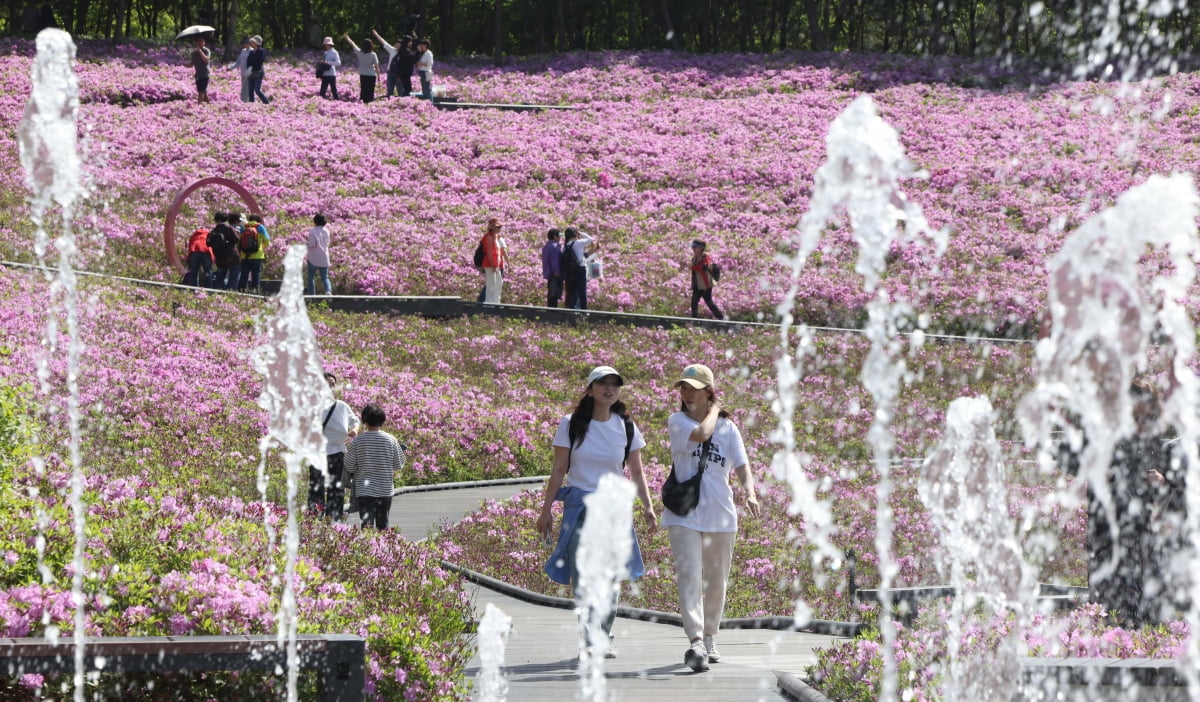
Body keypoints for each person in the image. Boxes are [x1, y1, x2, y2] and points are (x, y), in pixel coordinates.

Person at [535, 366, 657, 658]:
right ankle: (589, 639)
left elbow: (637, 471)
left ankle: (603, 636)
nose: (609, 389)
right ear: (590, 389)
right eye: (602, 383)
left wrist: (649, 507)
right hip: (580, 509)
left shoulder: (626, 426)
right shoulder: (571, 423)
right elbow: (558, 469)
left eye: (615, 384)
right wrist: (546, 509)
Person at [662, 363, 758, 672]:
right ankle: (695, 640)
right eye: (684, 388)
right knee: (690, 576)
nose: (687, 393)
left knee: (717, 581)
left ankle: (711, 635)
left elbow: (742, 464)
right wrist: (716, 409)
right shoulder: (677, 420)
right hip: (683, 514)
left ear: (707, 390)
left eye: (693, 388)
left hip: (720, 514)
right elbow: (702, 434)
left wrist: (750, 492)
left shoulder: (730, 429)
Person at [343, 403, 406, 529]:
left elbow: (349, 466)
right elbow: (398, 465)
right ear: (382, 420)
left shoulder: (358, 441)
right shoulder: (391, 440)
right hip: (385, 489)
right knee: (383, 523)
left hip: (364, 490)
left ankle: (368, 547)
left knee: (367, 525)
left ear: (364, 421)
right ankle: (383, 547)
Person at [308, 372, 360, 520]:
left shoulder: (341, 405)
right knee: (316, 488)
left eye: (332, 384)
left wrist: (354, 430)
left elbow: (354, 420)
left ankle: (334, 520)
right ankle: (315, 520)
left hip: (337, 452)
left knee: (336, 488)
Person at [371, 29, 414, 98]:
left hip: (399, 74)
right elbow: (383, 42)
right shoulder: (392, 50)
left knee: (400, 91)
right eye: (396, 43)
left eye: (398, 43)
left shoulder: (404, 53)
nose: (395, 44)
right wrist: (376, 34)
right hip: (390, 72)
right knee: (390, 90)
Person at [689, 239, 724, 320]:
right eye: (693, 247)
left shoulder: (705, 257)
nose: (693, 249)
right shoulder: (694, 258)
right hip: (698, 284)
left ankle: (721, 317)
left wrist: (693, 267)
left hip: (705, 284)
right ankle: (695, 318)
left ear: (701, 248)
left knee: (709, 302)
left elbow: (704, 267)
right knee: (694, 301)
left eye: (695, 247)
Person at [563, 227, 596, 310]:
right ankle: (583, 309)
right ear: (575, 234)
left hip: (571, 270)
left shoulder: (565, 246)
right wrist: (580, 233)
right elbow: (590, 239)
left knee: (572, 290)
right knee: (582, 290)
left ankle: (572, 308)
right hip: (580, 269)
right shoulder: (578, 243)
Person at [206, 211, 240, 290]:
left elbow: (208, 243)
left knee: (220, 275)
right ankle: (231, 291)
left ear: (216, 220)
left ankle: (218, 290)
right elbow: (237, 239)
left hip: (220, 257)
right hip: (232, 256)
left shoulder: (214, 230)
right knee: (233, 275)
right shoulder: (228, 228)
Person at [342, 33, 379, 104]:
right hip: (371, 75)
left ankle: (363, 101)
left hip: (363, 74)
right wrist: (379, 75)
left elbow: (353, 44)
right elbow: (376, 66)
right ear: (371, 46)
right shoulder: (373, 54)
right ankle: (370, 102)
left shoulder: (360, 53)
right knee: (370, 90)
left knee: (363, 89)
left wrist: (347, 38)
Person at [237, 214, 270, 293]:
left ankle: (242, 290)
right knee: (256, 275)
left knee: (244, 274)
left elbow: (239, 241)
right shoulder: (260, 227)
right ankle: (255, 290)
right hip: (257, 255)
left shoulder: (244, 227)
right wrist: (261, 247)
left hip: (244, 256)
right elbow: (267, 240)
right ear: (258, 220)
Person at [480, 217, 505, 304]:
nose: (499, 229)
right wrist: (493, 265)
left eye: (500, 227)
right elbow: (490, 252)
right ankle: (488, 303)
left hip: (496, 264)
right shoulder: (489, 237)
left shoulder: (496, 237)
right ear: (492, 227)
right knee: (491, 284)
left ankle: (496, 302)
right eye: (498, 227)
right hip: (490, 264)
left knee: (498, 283)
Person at [306, 213, 333, 295]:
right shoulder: (326, 231)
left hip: (313, 258)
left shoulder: (313, 232)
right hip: (324, 257)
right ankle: (328, 291)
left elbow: (312, 244)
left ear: (315, 221)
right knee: (325, 277)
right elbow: (327, 243)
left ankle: (311, 295)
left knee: (311, 278)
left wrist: (305, 244)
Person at [541, 228, 563, 307]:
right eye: (559, 236)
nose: (560, 238)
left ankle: (550, 309)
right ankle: (552, 312)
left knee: (551, 292)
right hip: (554, 274)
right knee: (554, 294)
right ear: (555, 236)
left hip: (548, 273)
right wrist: (557, 273)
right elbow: (555, 262)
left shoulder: (546, 247)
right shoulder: (554, 247)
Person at [246, 35, 270, 104]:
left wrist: (252, 66)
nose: (251, 43)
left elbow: (259, 62)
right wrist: (249, 68)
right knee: (250, 90)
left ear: (256, 43)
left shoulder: (261, 51)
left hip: (258, 72)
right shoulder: (251, 51)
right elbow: (248, 61)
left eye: (253, 42)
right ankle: (251, 103)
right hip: (250, 72)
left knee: (257, 90)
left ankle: (266, 102)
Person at [227, 36, 252, 102]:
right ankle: (244, 102)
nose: (243, 45)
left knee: (246, 89)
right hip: (243, 72)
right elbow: (238, 61)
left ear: (248, 43)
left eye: (244, 43)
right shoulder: (243, 51)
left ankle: (245, 103)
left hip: (249, 73)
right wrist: (231, 67)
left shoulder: (252, 51)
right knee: (244, 88)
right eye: (243, 43)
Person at [190, 36, 211, 103]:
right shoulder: (194, 53)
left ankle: (199, 108)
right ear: (196, 43)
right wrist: (185, 64)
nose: (200, 43)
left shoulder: (206, 51)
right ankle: (208, 103)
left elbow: (206, 60)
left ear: (204, 42)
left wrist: (200, 52)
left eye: (202, 41)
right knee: (201, 91)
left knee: (201, 92)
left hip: (205, 74)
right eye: (199, 41)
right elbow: (191, 64)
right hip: (198, 75)